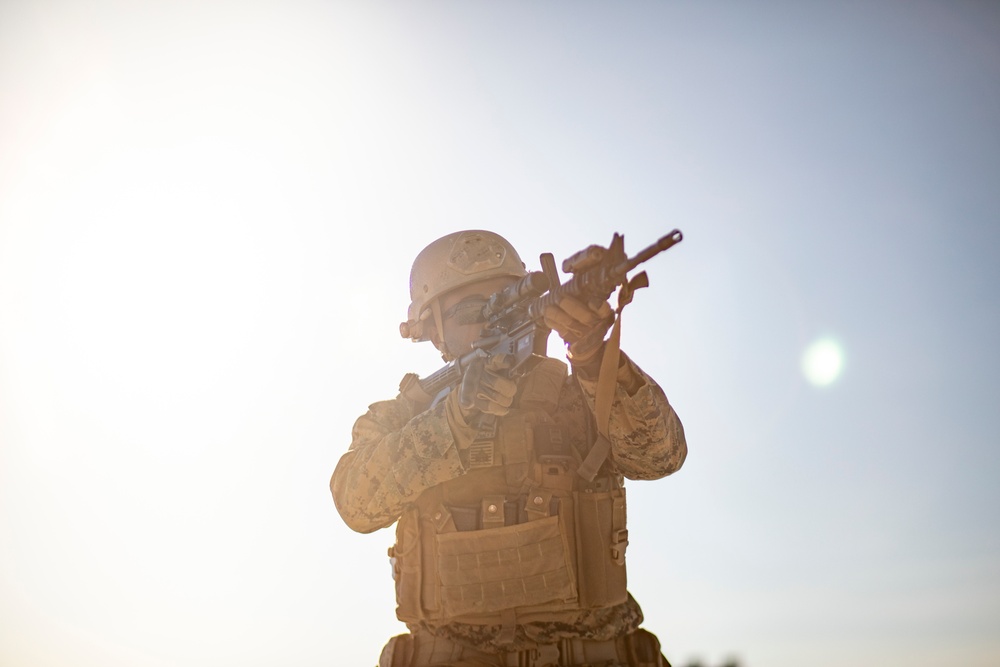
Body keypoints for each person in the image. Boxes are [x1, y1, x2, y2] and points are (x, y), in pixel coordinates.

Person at [331, 230, 687, 667]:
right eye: (470, 311)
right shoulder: (401, 416)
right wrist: (452, 423)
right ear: (433, 331)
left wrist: (595, 356)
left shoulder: (577, 392)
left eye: (506, 301)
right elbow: (356, 504)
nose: (492, 319)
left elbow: (660, 456)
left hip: (595, 652)